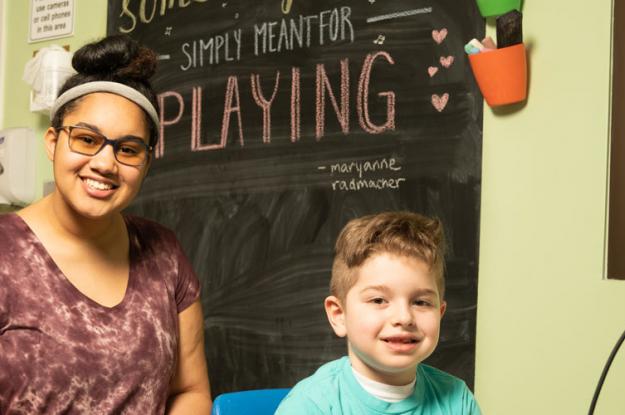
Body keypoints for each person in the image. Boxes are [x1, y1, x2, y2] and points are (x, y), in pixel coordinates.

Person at [0, 35, 212, 414]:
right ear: (53, 142)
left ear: (146, 163)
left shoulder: (164, 254)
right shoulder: (5, 254)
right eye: (86, 139)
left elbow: (190, 391)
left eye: (128, 149)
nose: (104, 163)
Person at [275, 211, 481, 414]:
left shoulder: (458, 402)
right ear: (339, 315)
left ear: (440, 313)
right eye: (378, 300)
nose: (404, 318)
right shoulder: (310, 407)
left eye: (421, 302)